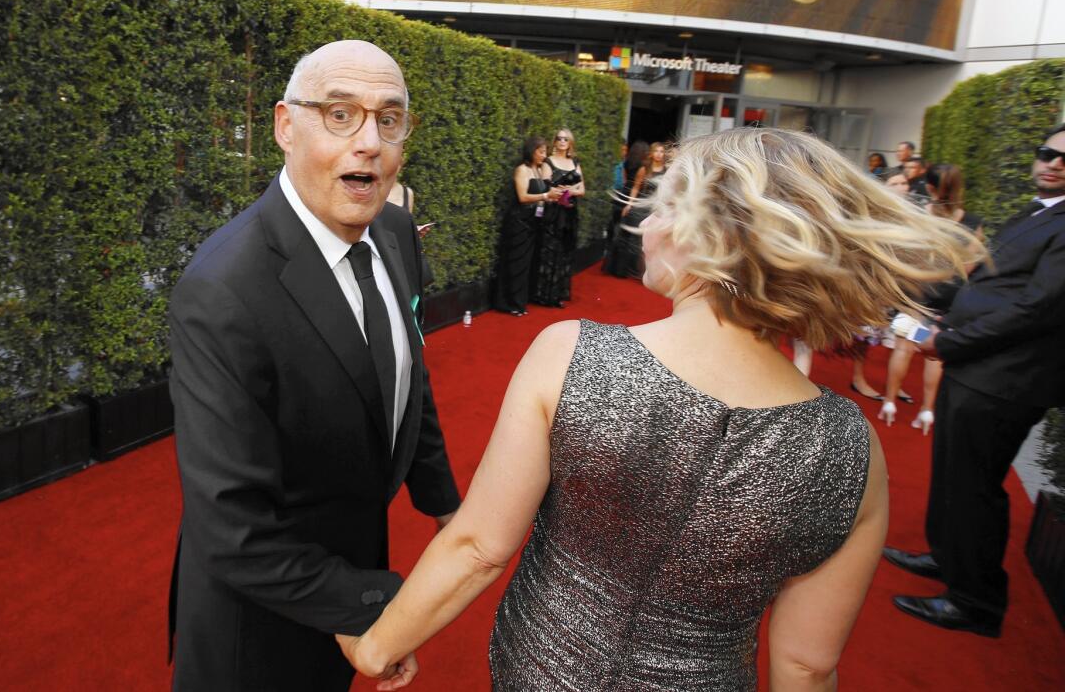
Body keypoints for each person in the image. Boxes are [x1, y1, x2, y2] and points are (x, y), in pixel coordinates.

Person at [336, 127, 982, 691]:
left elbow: (478, 546)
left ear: (707, 234)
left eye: (662, 205)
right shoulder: (852, 449)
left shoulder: (571, 353)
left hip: (537, 671)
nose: (643, 223)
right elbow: (807, 666)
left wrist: (378, 644)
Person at [167, 40, 461, 691]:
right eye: (339, 114)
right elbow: (232, 524)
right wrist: (372, 605)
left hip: (347, 566)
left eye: (389, 119)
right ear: (284, 126)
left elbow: (408, 372)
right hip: (256, 626)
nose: (369, 142)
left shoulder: (395, 232)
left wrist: (444, 506)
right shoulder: (223, 290)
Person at [887, 124, 1065, 638]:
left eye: (1064, 159)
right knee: (952, 478)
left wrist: (948, 344)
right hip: (978, 367)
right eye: (1046, 152)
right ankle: (950, 560)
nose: (1052, 163)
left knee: (975, 488)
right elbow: (997, 285)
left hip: (1003, 379)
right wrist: (948, 324)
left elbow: (1040, 309)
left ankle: (976, 602)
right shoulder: (1037, 209)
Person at [878, 164, 984, 433]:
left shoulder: (914, 215)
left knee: (904, 346)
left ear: (929, 188)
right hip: (950, 295)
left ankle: (889, 403)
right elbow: (970, 266)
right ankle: (927, 410)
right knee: (934, 355)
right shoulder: (972, 223)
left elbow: (902, 252)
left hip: (917, 291)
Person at [493, 136, 562, 316]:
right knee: (515, 261)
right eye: (540, 151)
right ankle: (509, 303)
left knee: (527, 263)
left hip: (533, 222)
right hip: (518, 222)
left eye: (545, 152)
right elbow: (522, 197)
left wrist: (553, 193)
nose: (543, 155)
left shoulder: (539, 171)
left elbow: (546, 190)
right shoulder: (521, 170)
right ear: (531, 151)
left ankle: (520, 302)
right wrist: (546, 196)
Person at [530, 128, 585, 307]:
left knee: (565, 250)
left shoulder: (575, 162)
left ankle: (559, 292)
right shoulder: (548, 162)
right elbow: (546, 188)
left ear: (570, 143)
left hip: (570, 212)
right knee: (549, 249)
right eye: (559, 139)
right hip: (553, 212)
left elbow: (582, 189)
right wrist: (564, 191)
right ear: (554, 142)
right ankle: (545, 294)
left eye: (566, 139)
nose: (562, 142)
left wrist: (567, 191)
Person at [607, 141, 669, 278]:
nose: (659, 154)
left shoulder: (667, 171)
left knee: (652, 240)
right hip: (640, 205)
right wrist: (629, 204)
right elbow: (636, 187)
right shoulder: (644, 169)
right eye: (656, 151)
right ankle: (626, 269)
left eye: (661, 151)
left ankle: (645, 272)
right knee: (632, 239)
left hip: (656, 207)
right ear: (651, 154)